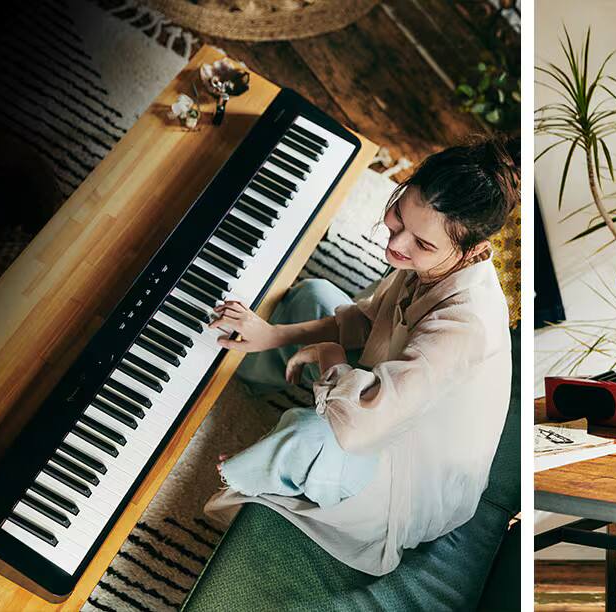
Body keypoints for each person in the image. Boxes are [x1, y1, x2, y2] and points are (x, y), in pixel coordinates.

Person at [201, 138, 515, 576]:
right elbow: (367, 320)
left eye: (422, 243)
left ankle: (247, 486)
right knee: (314, 295)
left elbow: (360, 426)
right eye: (399, 215)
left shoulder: (467, 324)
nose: (397, 242)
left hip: (409, 478)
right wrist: (272, 335)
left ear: (472, 250)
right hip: (389, 397)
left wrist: (329, 354)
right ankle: (227, 372)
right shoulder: (428, 260)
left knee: (309, 434)